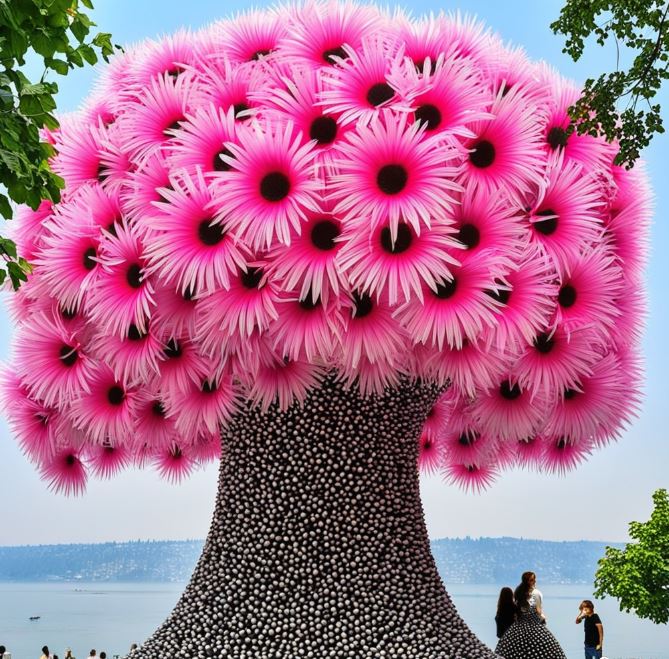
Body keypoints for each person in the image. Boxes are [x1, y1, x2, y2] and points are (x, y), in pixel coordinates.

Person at [495, 571, 567, 659]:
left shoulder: (518, 592)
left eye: (534, 579)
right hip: (534, 625)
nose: (535, 581)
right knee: (548, 651)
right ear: (527, 581)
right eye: (532, 580)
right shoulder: (536, 593)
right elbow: (539, 612)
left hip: (518, 628)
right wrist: (543, 618)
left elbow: (519, 611)